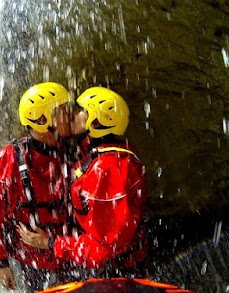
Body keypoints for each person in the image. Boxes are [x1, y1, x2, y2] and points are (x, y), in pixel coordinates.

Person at [18, 86, 148, 278]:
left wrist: (50, 243)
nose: (73, 114)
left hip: (115, 273)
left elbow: (103, 249)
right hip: (115, 263)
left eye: (82, 112)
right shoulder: (106, 151)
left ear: (96, 122)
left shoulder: (108, 170)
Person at [0, 82, 74, 293]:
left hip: (68, 250)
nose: (70, 116)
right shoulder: (5, 163)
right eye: (63, 112)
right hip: (32, 259)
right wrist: (1, 263)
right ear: (42, 121)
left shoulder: (72, 149)